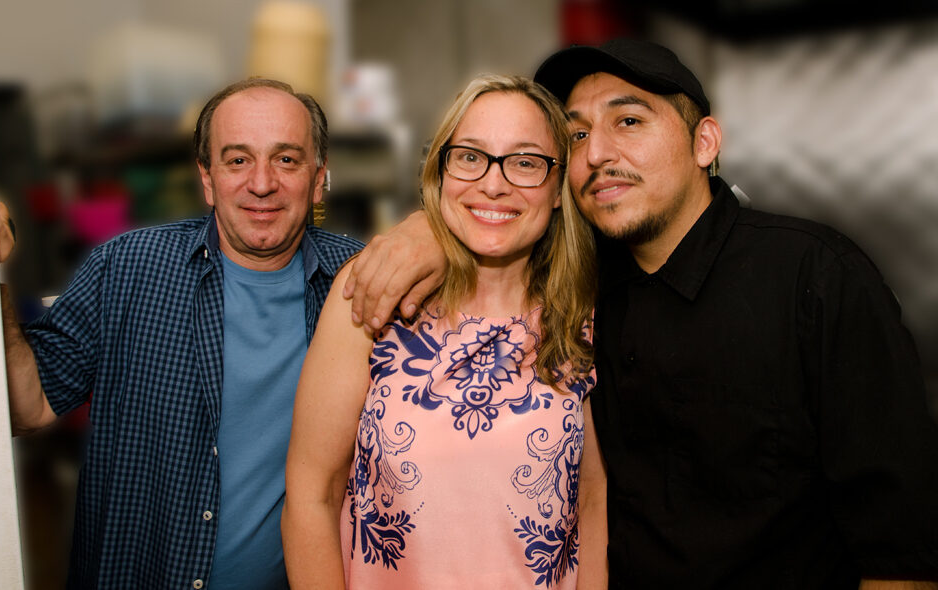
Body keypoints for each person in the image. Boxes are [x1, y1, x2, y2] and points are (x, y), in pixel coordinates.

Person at [341, 40, 938, 588]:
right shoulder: (576, 286)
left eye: (629, 121)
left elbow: (900, 551)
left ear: (704, 143)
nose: (598, 153)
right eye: (575, 137)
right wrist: (430, 227)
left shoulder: (816, 278)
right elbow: (496, 207)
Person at [0, 78, 362, 589]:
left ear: (319, 180)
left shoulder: (361, 283)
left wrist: (423, 235)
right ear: (207, 178)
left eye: (287, 160)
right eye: (237, 160)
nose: (262, 183)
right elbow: (28, 405)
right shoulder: (128, 269)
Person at [282, 74, 607, 589]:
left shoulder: (582, 316)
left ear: (559, 189)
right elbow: (311, 494)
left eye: (525, 162)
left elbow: (591, 500)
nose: (494, 183)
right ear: (440, 173)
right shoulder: (375, 296)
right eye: (471, 156)